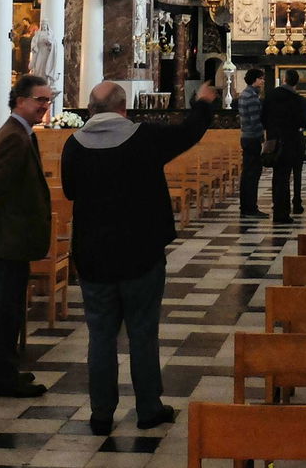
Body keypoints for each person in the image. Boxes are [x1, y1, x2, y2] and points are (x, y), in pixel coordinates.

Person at [61, 78, 218, 435]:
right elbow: (188, 133)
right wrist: (204, 103)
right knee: (143, 333)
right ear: (124, 108)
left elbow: (70, 190)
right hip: (140, 252)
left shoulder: (74, 145)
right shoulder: (144, 138)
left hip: (94, 256)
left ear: (89, 110)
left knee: (100, 336)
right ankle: (148, 408)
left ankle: (101, 412)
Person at [0, 73, 54, 397]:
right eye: (40, 100)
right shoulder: (13, 137)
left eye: (48, 100)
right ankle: (0, 376)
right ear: (21, 100)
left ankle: (2, 369)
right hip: (7, 239)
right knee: (4, 310)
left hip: (13, 238)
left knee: (9, 308)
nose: (45, 106)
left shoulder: (22, 133)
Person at [261, 70, 306, 222]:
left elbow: (262, 118)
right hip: (292, 141)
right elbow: (305, 121)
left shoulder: (270, 96)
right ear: (296, 82)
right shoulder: (298, 100)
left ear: (284, 79)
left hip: (274, 141)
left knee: (278, 176)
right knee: (291, 175)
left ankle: (277, 207)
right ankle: (288, 210)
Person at [236, 68, 266, 218]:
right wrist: (263, 138)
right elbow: (255, 121)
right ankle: (251, 208)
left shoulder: (244, 94)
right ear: (255, 79)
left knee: (247, 173)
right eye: (261, 78)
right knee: (253, 174)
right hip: (252, 138)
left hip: (245, 137)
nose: (263, 81)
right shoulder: (252, 97)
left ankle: (245, 206)